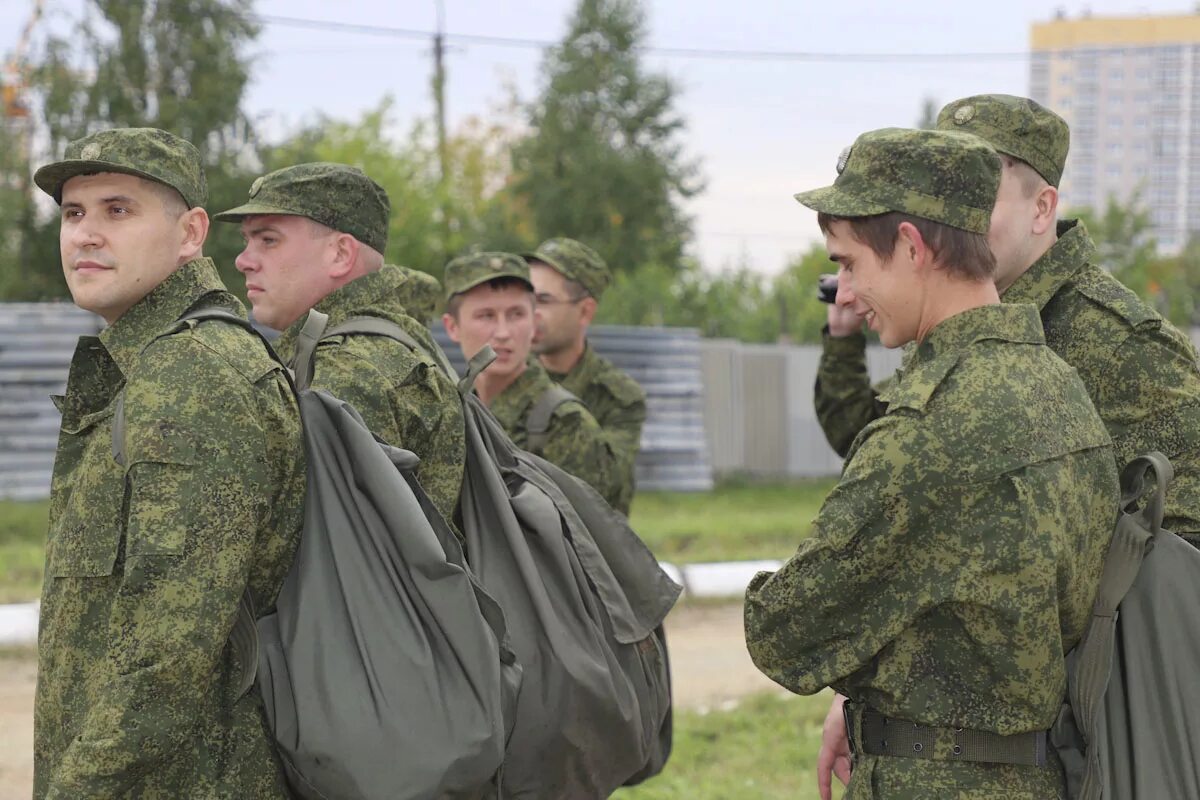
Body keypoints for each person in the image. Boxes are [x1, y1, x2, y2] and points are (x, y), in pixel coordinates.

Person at [744, 127, 1119, 799]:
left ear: (912, 247)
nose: (848, 292)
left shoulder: (929, 430)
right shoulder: (1061, 389)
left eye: (851, 263)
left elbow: (784, 634)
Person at [32, 128, 305, 797]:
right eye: (73, 213)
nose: (85, 235)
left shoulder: (194, 376)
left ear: (191, 233)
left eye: (117, 210)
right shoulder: (153, 364)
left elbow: (166, 655)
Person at [815, 93, 1200, 544]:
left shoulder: (1125, 345)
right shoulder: (969, 322)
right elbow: (870, 442)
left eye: (979, 199)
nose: (955, 219)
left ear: (1041, 209)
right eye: (943, 200)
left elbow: (1183, 544)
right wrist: (843, 338)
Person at [214, 163, 464, 524]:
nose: (243, 261)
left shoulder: (351, 372)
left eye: (268, 240)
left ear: (340, 254)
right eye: (247, 241)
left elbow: (334, 552)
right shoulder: (389, 340)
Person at [441, 251, 621, 505]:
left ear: (534, 323)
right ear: (452, 327)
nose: (503, 332)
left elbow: (587, 537)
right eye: (486, 316)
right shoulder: (448, 411)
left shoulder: (564, 423)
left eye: (516, 314)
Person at [525, 238, 647, 515]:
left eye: (543, 300)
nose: (530, 313)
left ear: (585, 311)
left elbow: (607, 487)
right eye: (525, 298)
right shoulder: (499, 378)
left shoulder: (617, 395)